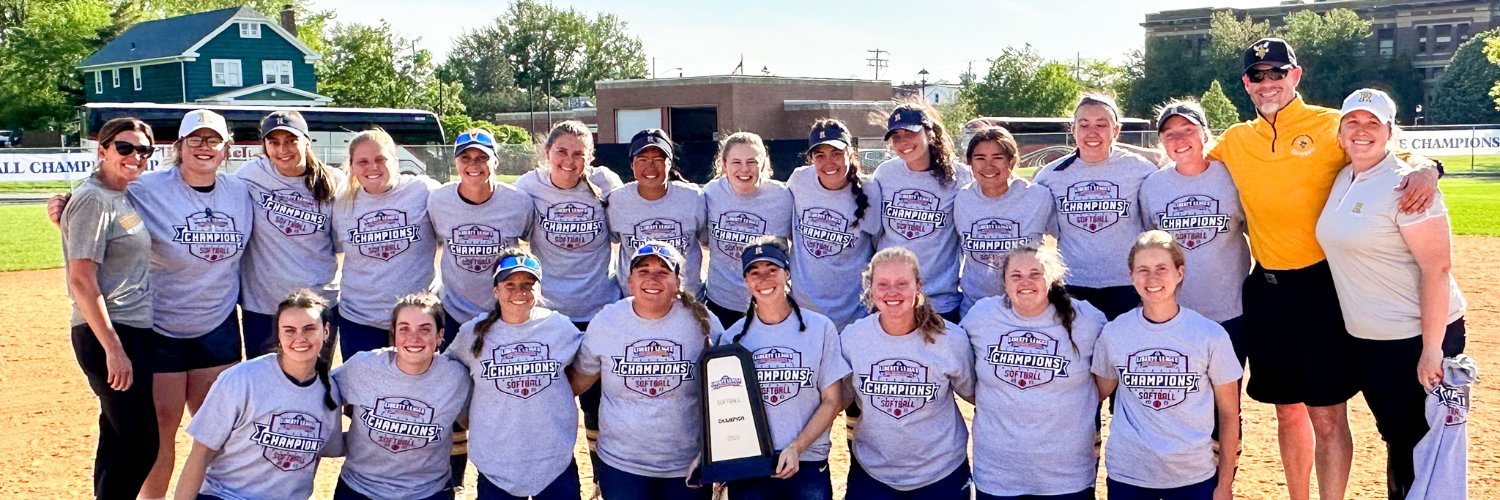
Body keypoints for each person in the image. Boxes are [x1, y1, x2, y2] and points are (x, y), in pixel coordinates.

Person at [1209, 37, 1439, 500]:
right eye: (1258, 75)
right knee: (1286, 411)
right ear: (1246, 84)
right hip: (1267, 291)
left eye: (1278, 73)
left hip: (1323, 290)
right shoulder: (1235, 139)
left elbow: (1389, 148)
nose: (1268, 82)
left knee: (1328, 413)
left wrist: (1429, 166)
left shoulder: (1331, 125)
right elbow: (1185, 158)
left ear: (1295, 76)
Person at [1316, 88, 1468, 499]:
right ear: (1340, 131)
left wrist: (1432, 349)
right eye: (1353, 122)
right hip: (1371, 340)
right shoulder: (1344, 176)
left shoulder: (1407, 185)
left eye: (1373, 123)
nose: (1361, 131)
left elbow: (1436, 269)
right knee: (1399, 440)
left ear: (1389, 130)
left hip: (1417, 335)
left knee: (1424, 445)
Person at [126, 110, 254, 499]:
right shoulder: (147, 188)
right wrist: (64, 205)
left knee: (216, 429)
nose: (204, 147)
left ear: (226, 149)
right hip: (161, 326)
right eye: (195, 140)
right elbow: (98, 192)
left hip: (216, 324)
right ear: (179, 147)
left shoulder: (239, 191)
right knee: (162, 429)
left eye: (213, 140)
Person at [1092, 230, 1241, 500]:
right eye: (1143, 269)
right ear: (1131, 276)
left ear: (1179, 273)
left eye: (1162, 268)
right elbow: (1093, 395)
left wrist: (1225, 483)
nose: (1152, 278)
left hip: (1193, 475)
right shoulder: (1115, 333)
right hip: (1130, 474)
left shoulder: (1210, 334)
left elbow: (1229, 413)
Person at [514, 120, 623, 490]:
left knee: (596, 407)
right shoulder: (529, 187)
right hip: (549, 316)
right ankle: (545, 480)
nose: (569, 160)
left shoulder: (606, 184)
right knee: (547, 404)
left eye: (579, 153)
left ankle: (601, 482)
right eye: (561, 151)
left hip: (597, 312)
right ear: (547, 154)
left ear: (589, 158)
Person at [568, 242, 723, 500]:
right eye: (643, 271)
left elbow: (730, 389)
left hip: (686, 466)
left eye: (663, 272)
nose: (652, 278)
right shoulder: (607, 321)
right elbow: (577, 383)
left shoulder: (703, 322)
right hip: (622, 466)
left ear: (677, 283)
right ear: (629, 281)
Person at [960, 240, 1106, 499]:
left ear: (1052, 278)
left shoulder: (1087, 319)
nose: (1025, 282)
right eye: (1015, 276)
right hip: (998, 474)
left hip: (1066, 477)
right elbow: (962, 374)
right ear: (1004, 283)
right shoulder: (981, 316)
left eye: (1035, 274)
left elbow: (1106, 377)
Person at [60, 116, 158, 499]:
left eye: (143, 150)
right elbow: (81, 279)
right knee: (140, 442)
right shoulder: (93, 198)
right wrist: (113, 349)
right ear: (102, 151)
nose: (135, 156)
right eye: (124, 147)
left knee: (118, 438)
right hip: (108, 331)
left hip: (131, 328)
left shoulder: (116, 195)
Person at [173, 289, 342, 500]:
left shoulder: (330, 391)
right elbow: (201, 453)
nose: (300, 338)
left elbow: (320, 455)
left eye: (309, 328)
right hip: (226, 496)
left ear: (326, 331)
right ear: (278, 335)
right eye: (289, 330)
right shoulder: (242, 379)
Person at [447, 249, 586, 500]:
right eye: (509, 284)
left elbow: (590, 365)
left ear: (538, 290)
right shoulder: (472, 333)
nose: (519, 292)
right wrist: (470, 417)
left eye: (527, 284)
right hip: (496, 462)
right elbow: (446, 377)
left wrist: (561, 394)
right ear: (495, 290)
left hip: (554, 459)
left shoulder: (560, 328)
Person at [721, 237, 849, 499]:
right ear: (746, 281)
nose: (764, 279)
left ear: (786, 274)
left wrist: (796, 448)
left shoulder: (820, 328)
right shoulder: (733, 339)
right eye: (754, 272)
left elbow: (832, 400)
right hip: (751, 463)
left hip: (808, 460)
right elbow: (724, 409)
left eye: (772, 270)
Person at [841, 247, 975, 499]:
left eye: (902, 283)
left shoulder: (950, 339)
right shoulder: (853, 338)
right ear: (870, 287)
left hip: (941, 473)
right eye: (883, 284)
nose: (892, 292)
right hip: (873, 472)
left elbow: (975, 395)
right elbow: (837, 400)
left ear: (919, 286)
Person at [1138, 100, 1250, 364]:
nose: (1180, 138)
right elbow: (1149, 246)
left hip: (1230, 310)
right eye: (1170, 134)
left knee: (1226, 398)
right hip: (1174, 312)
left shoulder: (1232, 177)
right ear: (1162, 143)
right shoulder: (1153, 186)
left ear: (1205, 133)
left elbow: (1257, 233)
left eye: (1188, 129)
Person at [332, 293, 470, 500]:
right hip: (360, 489)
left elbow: (480, 419)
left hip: (428, 492)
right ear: (393, 334)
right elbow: (317, 394)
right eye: (404, 328)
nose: (414, 337)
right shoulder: (363, 367)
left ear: (440, 335)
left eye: (425, 329)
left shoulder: (456, 377)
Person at [1033, 94, 1157, 320]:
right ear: (1073, 130)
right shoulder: (1050, 176)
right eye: (1084, 125)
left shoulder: (1140, 169)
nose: (1092, 132)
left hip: (1127, 283)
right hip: (1073, 283)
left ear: (1116, 131)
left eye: (1101, 125)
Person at [237, 110, 345, 358]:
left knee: (315, 385)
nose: (282, 149)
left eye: (290, 140)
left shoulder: (333, 180)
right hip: (264, 306)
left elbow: (342, 243)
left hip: (317, 304)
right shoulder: (249, 175)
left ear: (306, 141)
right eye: (273, 142)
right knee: (265, 385)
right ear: (264, 145)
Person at [332, 129, 440, 359]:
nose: (372, 167)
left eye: (380, 159)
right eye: (363, 161)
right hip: (360, 319)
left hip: (417, 319)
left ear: (396, 161)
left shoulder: (422, 191)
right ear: (352, 166)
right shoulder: (340, 203)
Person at [428, 128, 533, 347]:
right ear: (456, 162)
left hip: (503, 312)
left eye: (482, 157)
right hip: (453, 314)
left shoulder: (518, 202)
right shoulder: (438, 201)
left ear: (495, 161)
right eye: (465, 157)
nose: (473, 164)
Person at [873, 103, 972, 321]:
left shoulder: (959, 177)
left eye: (910, 133)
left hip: (939, 301)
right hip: (892, 299)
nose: (903, 142)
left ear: (929, 133)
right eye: (896, 136)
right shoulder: (885, 174)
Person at [788, 119, 882, 330]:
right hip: (803, 316)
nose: (828, 163)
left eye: (836, 153)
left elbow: (880, 250)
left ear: (850, 153)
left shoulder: (870, 191)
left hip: (854, 317)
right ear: (810, 158)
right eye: (820, 155)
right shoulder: (799, 181)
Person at [954, 126, 1054, 315]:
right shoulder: (962, 199)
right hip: (974, 309)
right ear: (970, 163)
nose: (988, 166)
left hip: (1026, 308)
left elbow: (1066, 238)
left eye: (997, 158)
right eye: (980, 158)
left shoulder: (1039, 197)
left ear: (1012, 161)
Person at [703, 132, 793, 328]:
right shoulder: (711, 194)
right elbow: (702, 240)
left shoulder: (783, 197)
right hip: (721, 303)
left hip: (770, 302)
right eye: (736, 162)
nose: (744, 169)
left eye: (752, 161)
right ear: (724, 165)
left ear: (764, 163)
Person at [606, 129, 708, 297]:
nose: (650, 166)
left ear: (669, 163)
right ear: (632, 164)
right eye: (643, 159)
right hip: (636, 300)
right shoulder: (617, 200)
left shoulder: (693, 197)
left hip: (686, 301)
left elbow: (706, 240)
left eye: (658, 159)